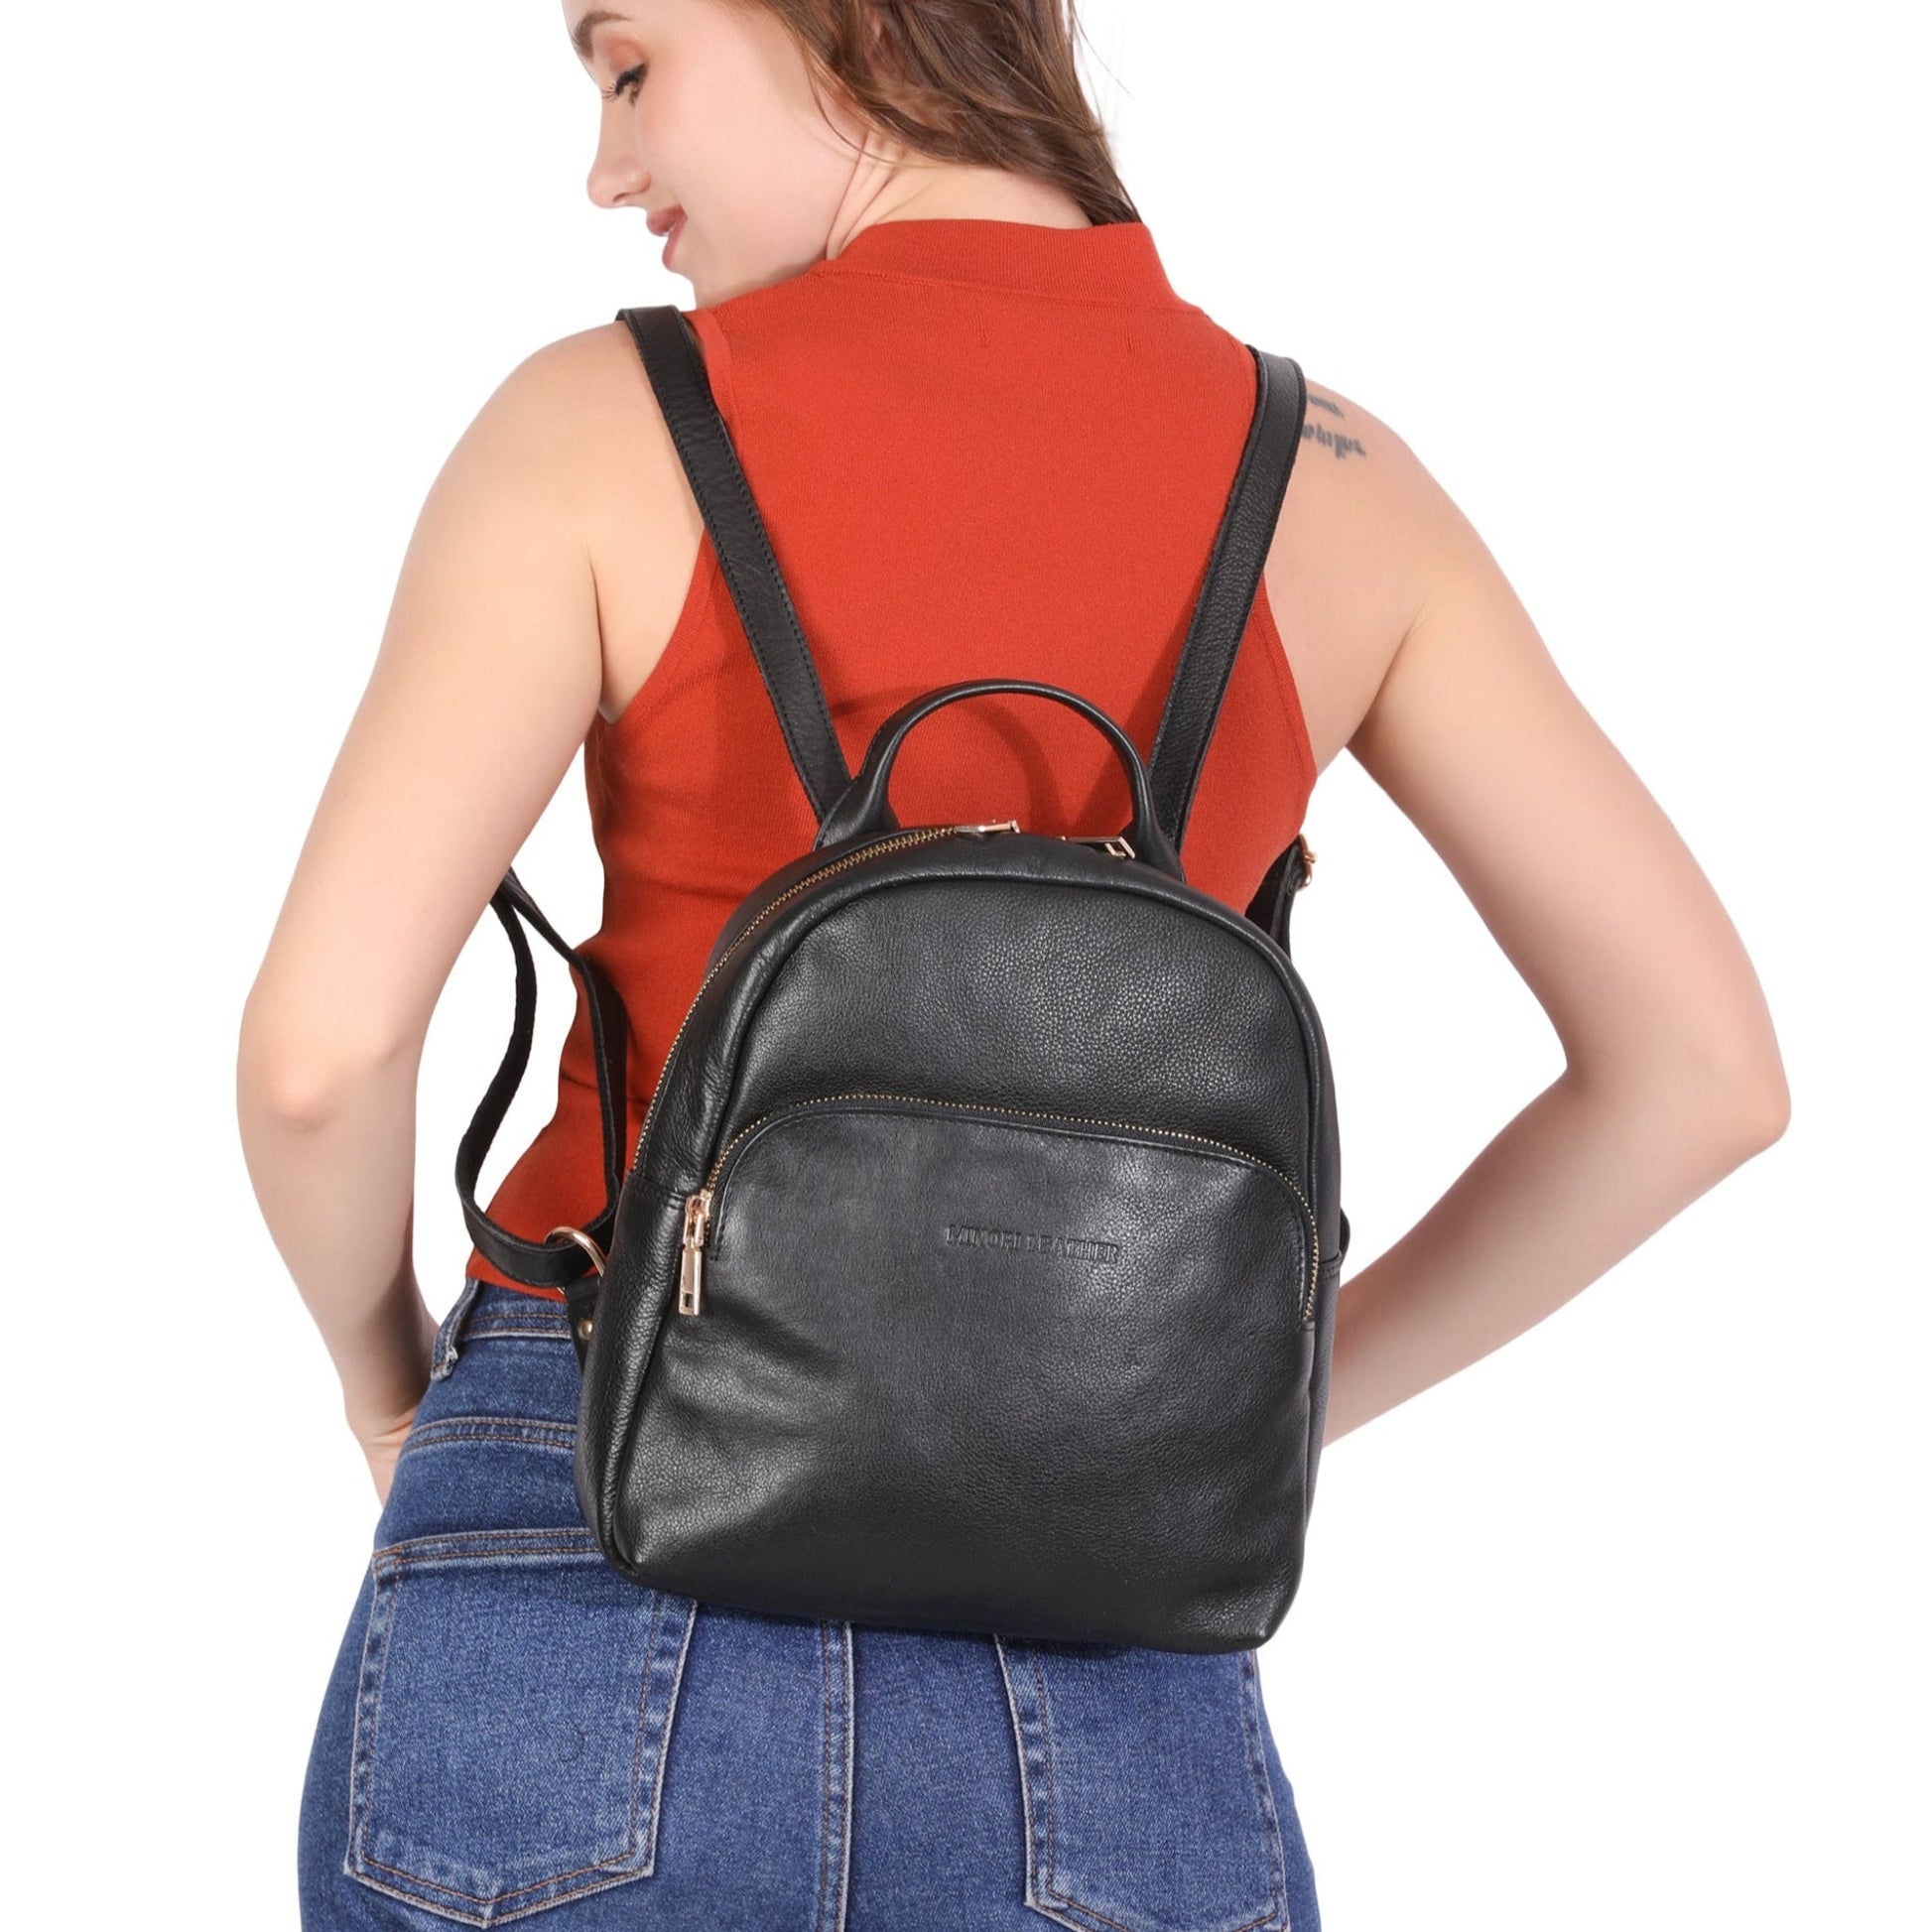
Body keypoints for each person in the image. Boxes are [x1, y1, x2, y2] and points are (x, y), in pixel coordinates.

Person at [235, 1, 1791, 1925]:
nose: (608, 171)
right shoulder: (1336, 482)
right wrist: (1271, 1405)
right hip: (1098, 1589)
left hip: (592, 1492)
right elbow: (1703, 1073)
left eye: (628, 66)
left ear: (855, 21)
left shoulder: (606, 420)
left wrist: (389, 1395)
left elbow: (317, 1053)